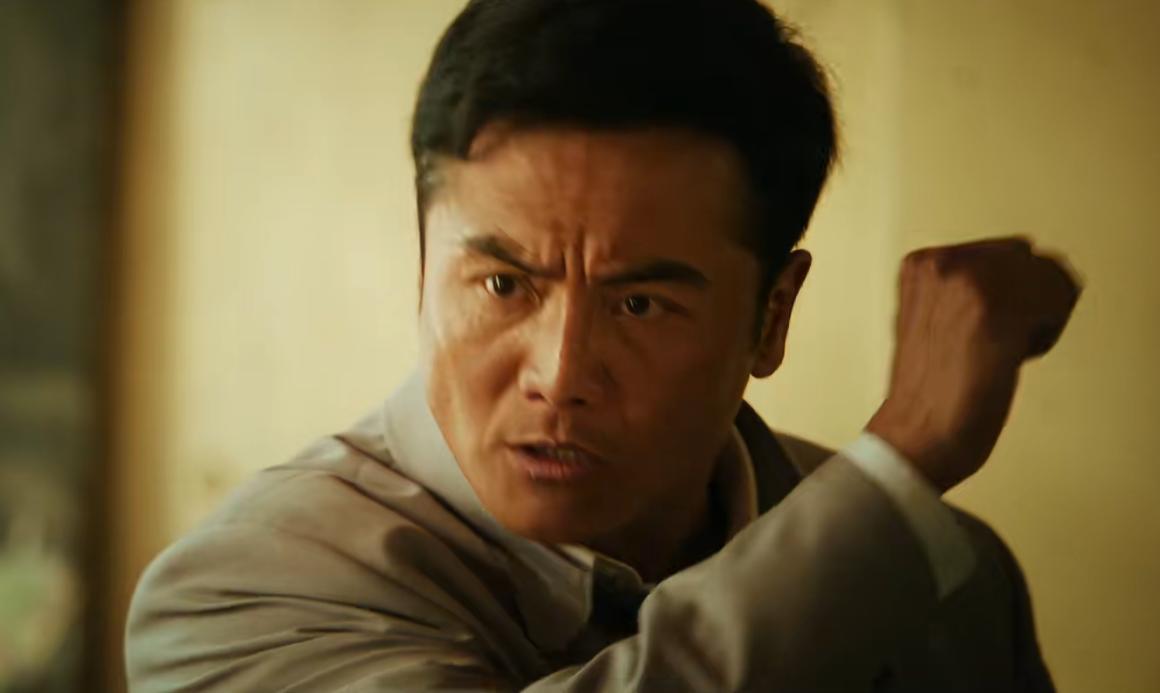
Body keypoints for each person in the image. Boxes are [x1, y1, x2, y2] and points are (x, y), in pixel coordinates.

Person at [125, 0, 1080, 690]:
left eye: (641, 304)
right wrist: (898, 471)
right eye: (504, 284)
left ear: (772, 316)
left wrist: (894, 501)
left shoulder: (950, 580)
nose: (559, 375)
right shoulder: (242, 588)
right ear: (423, 270)